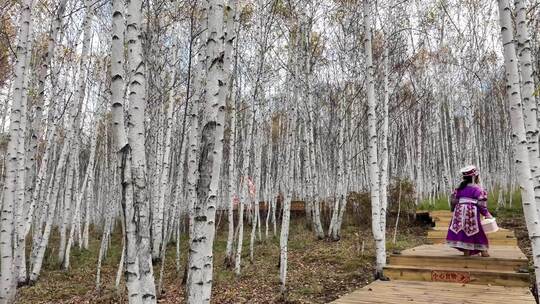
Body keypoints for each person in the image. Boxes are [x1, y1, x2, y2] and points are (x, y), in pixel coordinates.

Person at [446, 165, 493, 257]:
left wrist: (454, 208)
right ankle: (483, 250)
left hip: (459, 211)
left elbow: (453, 200)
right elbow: (481, 204)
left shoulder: (460, 188)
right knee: (475, 230)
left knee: (462, 231)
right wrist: (487, 214)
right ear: (475, 177)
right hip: (471, 211)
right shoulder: (478, 189)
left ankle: (466, 251)